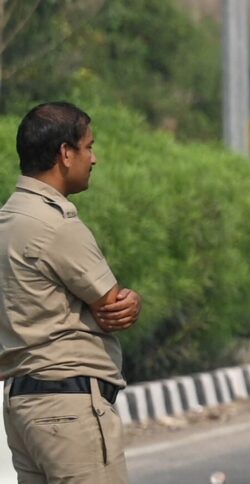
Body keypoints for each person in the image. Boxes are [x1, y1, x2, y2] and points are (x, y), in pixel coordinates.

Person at [0, 102, 142, 483]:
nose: (93, 159)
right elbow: (113, 306)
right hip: (68, 405)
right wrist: (132, 302)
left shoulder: (8, 220)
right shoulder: (55, 224)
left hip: (22, 404)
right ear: (66, 153)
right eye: (89, 147)